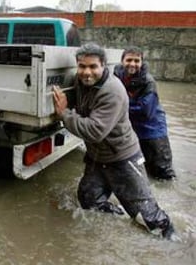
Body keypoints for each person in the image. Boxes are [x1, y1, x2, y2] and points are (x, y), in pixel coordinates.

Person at [52, 43, 175, 239]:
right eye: (82, 66)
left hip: (123, 157)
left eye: (93, 67)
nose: (87, 72)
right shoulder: (80, 81)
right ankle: (114, 222)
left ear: (103, 66)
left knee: (148, 217)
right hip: (97, 157)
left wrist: (64, 114)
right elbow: (76, 100)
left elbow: (94, 131)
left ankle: (174, 242)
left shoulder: (113, 90)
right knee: (89, 200)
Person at [113, 46, 176, 180]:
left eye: (137, 61)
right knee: (140, 168)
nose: (132, 64)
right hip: (135, 131)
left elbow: (145, 111)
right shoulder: (117, 77)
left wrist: (117, 108)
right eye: (129, 60)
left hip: (153, 130)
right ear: (122, 61)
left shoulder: (148, 82)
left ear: (141, 63)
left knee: (163, 171)